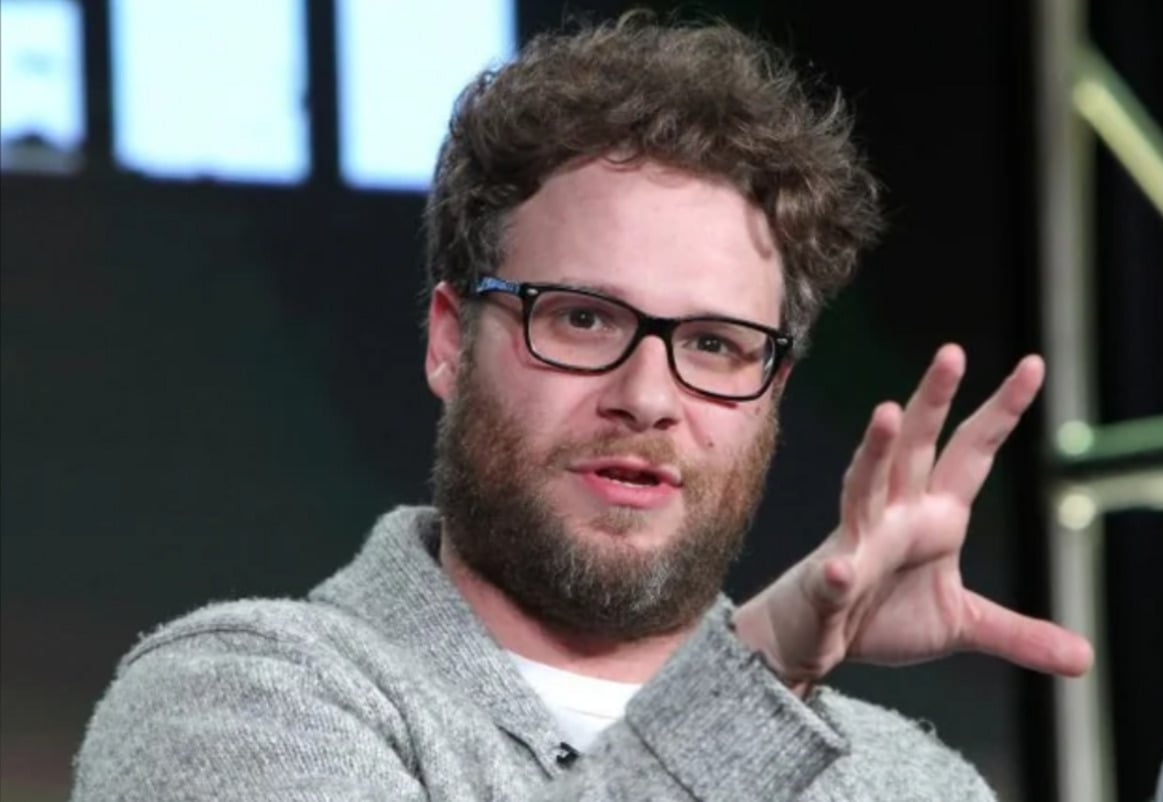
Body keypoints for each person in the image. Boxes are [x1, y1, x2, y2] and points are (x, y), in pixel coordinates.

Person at [71, 14, 1093, 801]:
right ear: (446, 339)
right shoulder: (233, 698)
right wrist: (761, 677)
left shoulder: (904, 782)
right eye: (582, 321)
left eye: (714, 345)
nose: (647, 397)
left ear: (772, 395)